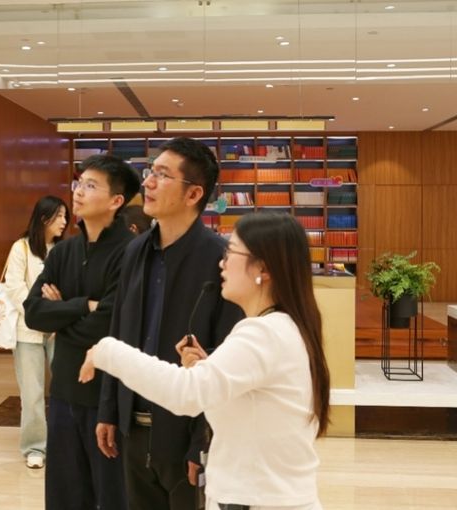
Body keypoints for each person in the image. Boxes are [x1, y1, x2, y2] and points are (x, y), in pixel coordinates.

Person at [81, 212, 331, 510]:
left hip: (257, 501)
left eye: (231, 252)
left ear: (262, 268)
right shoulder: (277, 328)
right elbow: (242, 406)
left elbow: (184, 394)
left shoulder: (263, 334)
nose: (222, 263)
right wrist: (206, 368)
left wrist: (108, 352)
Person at [97, 137, 244, 510]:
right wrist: (109, 409)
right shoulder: (134, 251)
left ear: (193, 193)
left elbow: (225, 359)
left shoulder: (220, 260)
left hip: (184, 433)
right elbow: (118, 332)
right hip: (132, 428)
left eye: (162, 175)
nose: (147, 182)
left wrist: (203, 439)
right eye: (151, 172)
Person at [24, 154, 140, 510]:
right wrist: (81, 306)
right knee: (64, 494)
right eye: (78, 183)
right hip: (63, 389)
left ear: (116, 201)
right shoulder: (64, 251)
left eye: (91, 186)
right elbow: (33, 313)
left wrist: (62, 317)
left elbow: (110, 323)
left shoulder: (131, 252)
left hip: (107, 395)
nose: (78, 192)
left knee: (111, 494)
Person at [3, 195, 69, 469]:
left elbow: (68, 288)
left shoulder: (64, 250)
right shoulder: (21, 248)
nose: (64, 222)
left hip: (59, 330)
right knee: (32, 393)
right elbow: (14, 288)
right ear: (44, 218)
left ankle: (64, 444)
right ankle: (35, 448)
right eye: (59, 216)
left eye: (65, 216)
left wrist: (56, 314)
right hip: (27, 330)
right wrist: (38, 314)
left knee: (65, 389)